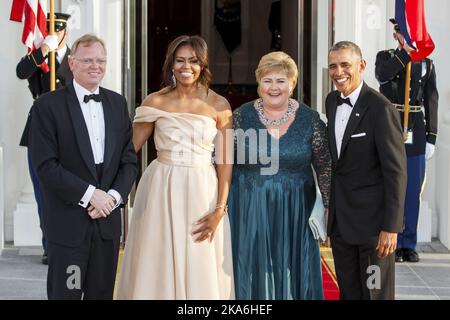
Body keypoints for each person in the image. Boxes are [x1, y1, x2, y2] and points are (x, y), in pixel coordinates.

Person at [116, 35, 235, 299]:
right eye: (180, 60)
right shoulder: (154, 102)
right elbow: (128, 149)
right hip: (160, 186)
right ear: (171, 64)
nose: (186, 67)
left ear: (202, 65)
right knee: (157, 253)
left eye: (193, 61)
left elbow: (225, 163)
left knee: (198, 253)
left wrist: (219, 210)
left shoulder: (219, 105)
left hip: (202, 189)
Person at [29, 34, 137, 300]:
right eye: (87, 60)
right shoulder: (47, 106)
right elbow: (45, 166)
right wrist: (91, 195)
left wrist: (111, 198)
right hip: (68, 228)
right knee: (68, 292)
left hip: (106, 226)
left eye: (101, 60)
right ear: (72, 64)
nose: (95, 65)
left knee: (100, 295)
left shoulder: (117, 103)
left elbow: (129, 161)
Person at [228, 51, 331, 300]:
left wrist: (329, 207)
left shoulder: (311, 120)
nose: (274, 88)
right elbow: (221, 162)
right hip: (249, 207)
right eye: (268, 81)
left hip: (296, 209)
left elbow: (325, 167)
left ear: (292, 84)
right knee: (250, 268)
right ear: (259, 83)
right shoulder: (241, 116)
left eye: (281, 81)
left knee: (293, 268)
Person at [325, 41, 407, 300]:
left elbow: (396, 172)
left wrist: (391, 227)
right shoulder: (331, 101)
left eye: (345, 65)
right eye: (333, 66)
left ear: (361, 66)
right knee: (349, 294)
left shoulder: (381, 108)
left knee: (375, 293)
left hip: (374, 232)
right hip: (342, 227)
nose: (339, 72)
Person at [375, 18, 439, 263]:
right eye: (404, 33)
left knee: (412, 190)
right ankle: (388, 239)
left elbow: (431, 100)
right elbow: (382, 76)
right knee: (388, 186)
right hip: (389, 127)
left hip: (415, 130)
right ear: (396, 35)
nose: (410, 38)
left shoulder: (428, 64)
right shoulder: (386, 57)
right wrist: (405, 54)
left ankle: (407, 244)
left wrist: (432, 136)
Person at [16, 12, 72, 265]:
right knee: (43, 193)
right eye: (48, 32)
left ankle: (69, 241)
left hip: (70, 131)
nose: (52, 36)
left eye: (56, 33)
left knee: (70, 190)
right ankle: (50, 245)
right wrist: (43, 50)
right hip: (40, 130)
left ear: (65, 33)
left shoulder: (75, 58)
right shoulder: (38, 59)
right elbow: (21, 71)